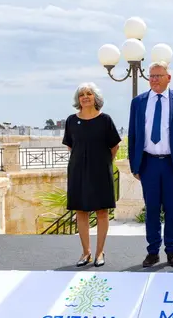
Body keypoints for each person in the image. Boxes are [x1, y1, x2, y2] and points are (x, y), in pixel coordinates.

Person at [128, 61, 173, 268]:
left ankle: (172, 251)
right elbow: (133, 134)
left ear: (168, 78)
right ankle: (152, 251)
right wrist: (134, 165)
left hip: (172, 164)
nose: (154, 79)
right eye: (151, 76)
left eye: (158, 76)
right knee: (152, 209)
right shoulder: (139, 102)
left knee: (172, 210)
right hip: (149, 163)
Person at [62, 82, 121, 268]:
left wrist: (103, 164)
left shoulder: (105, 120)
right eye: (82, 94)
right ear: (78, 99)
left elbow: (114, 146)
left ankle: (99, 252)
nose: (85, 97)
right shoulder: (71, 120)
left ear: (96, 97)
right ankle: (86, 252)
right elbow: (71, 146)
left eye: (89, 93)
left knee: (102, 211)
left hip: (100, 171)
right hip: (78, 171)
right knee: (81, 211)